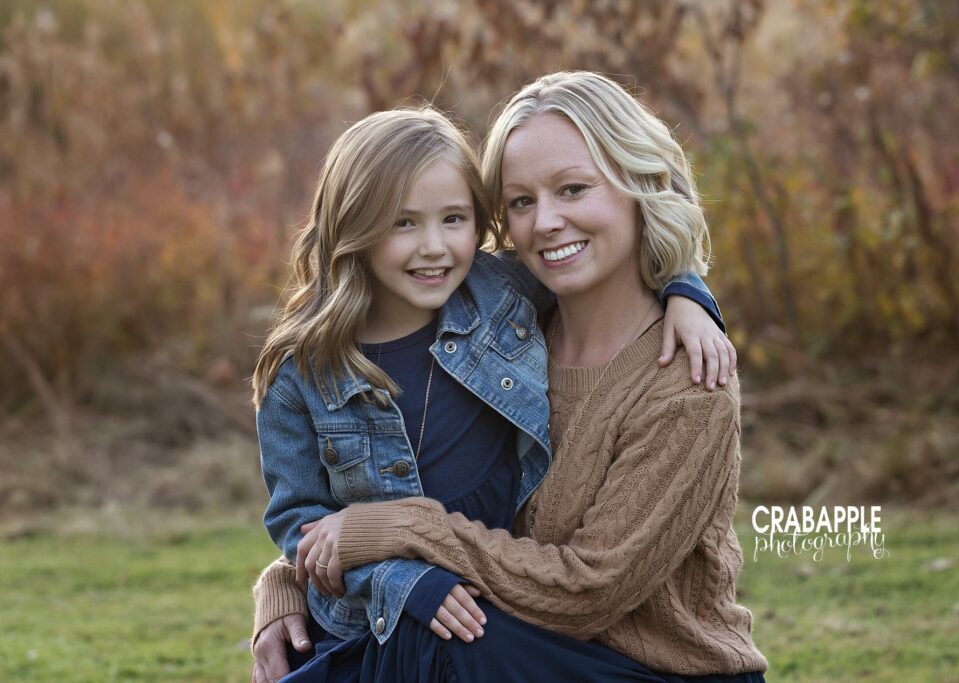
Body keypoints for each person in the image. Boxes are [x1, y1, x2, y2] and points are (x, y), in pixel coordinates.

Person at [250, 102, 735, 683]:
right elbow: (312, 516)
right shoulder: (515, 318)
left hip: (645, 666)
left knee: (446, 639)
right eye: (522, 203)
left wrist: (688, 288)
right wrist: (285, 581)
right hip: (486, 633)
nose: (547, 224)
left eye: (574, 189)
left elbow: (586, 592)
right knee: (426, 636)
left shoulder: (676, 378)